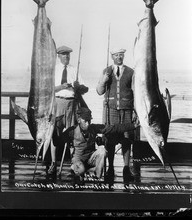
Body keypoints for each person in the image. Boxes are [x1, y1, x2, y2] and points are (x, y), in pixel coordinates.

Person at [60, 107, 139, 184]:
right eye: (85, 121)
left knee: (102, 151)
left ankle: (97, 177)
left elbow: (114, 128)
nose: (88, 124)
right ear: (79, 120)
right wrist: (56, 127)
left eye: (89, 121)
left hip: (91, 158)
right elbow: (57, 142)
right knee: (81, 169)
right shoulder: (71, 131)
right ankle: (77, 173)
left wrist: (133, 126)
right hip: (78, 159)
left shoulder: (93, 128)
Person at [96, 47, 135, 184]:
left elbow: (136, 92)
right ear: (112, 56)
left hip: (126, 110)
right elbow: (99, 91)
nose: (119, 57)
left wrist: (135, 111)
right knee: (110, 140)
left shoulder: (131, 72)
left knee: (126, 139)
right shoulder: (106, 71)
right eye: (116, 55)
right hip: (111, 110)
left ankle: (126, 168)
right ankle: (110, 168)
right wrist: (104, 80)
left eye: (121, 55)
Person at [48, 45, 89, 175]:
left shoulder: (74, 70)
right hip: (58, 103)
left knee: (74, 134)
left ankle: (74, 163)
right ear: (58, 56)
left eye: (68, 54)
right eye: (64, 54)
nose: (66, 57)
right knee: (55, 133)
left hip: (73, 104)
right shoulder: (53, 70)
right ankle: (53, 163)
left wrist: (78, 87)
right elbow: (48, 89)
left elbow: (85, 89)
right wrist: (61, 86)